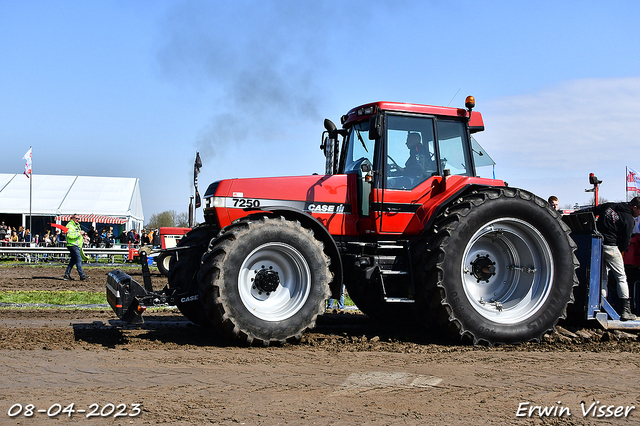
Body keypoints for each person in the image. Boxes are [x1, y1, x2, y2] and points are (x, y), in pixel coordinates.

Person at [591, 197, 640, 320]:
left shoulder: (610, 206)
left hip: (597, 245)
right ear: (634, 207)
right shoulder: (629, 219)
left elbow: (592, 211)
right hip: (611, 247)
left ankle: (600, 307)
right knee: (621, 278)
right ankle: (625, 311)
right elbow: (626, 241)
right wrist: (619, 249)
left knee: (602, 278)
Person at [63, 214, 89, 281]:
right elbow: (69, 236)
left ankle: (66, 274)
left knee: (73, 261)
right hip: (72, 245)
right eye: (77, 218)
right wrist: (79, 234)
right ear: (73, 218)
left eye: (79, 218)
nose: (78, 220)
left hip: (76, 245)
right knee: (79, 259)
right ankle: (81, 275)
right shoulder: (69, 225)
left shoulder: (76, 225)